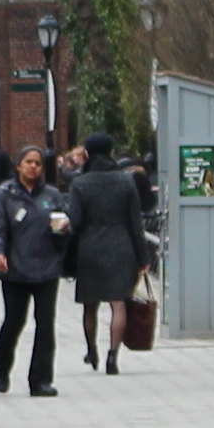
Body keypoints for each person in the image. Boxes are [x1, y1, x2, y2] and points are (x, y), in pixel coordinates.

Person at [0, 143, 70, 396]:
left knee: (45, 324)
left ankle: (40, 379)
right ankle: (2, 368)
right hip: (15, 269)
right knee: (14, 321)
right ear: (19, 165)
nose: (33, 167)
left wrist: (64, 229)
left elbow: (64, 228)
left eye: (38, 163)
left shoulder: (52, 196)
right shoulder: (5, 194)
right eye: (29, 162)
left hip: (46, 269)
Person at [62, 139, 147, 376]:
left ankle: (92, 350)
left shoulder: (80, 183)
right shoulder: (126, 181)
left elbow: (76, 222)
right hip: (122, 247)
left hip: (90, 248)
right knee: (119, 303)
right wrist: (143, 257)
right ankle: (113, 355)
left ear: (87, 154)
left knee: (90, 305)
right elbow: (136, 223)